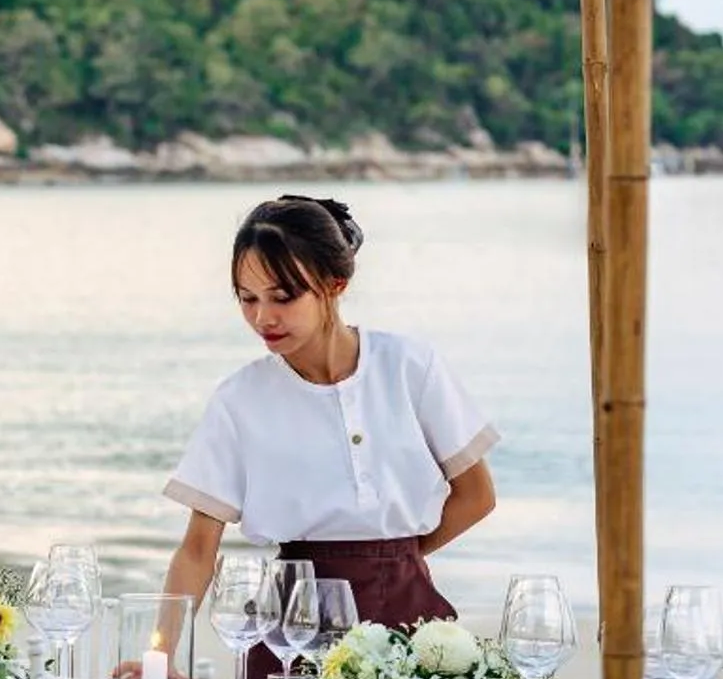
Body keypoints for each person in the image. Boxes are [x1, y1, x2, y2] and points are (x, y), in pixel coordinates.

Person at [160, 194, 497, 643]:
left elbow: (476, 496)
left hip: (411, 619)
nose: (263, 317)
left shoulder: (409, 367)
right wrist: (160, 653)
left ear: (334, 284)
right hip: (294, 628)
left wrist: (396, 562)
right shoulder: (239, 400)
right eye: (247, 299)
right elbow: (198, 549)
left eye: (283, 297)